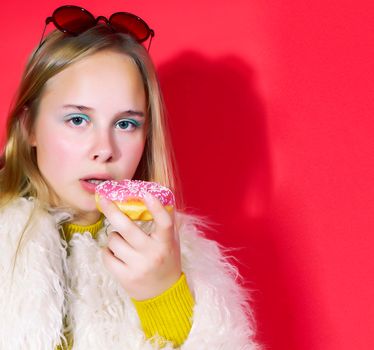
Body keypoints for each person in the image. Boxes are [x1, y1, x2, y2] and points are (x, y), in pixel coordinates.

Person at [0, 5, 260, 350]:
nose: (104, 149)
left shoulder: (183, 259)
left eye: (125, 124)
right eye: (77, 120)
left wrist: (163, 294)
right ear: (28, 126)